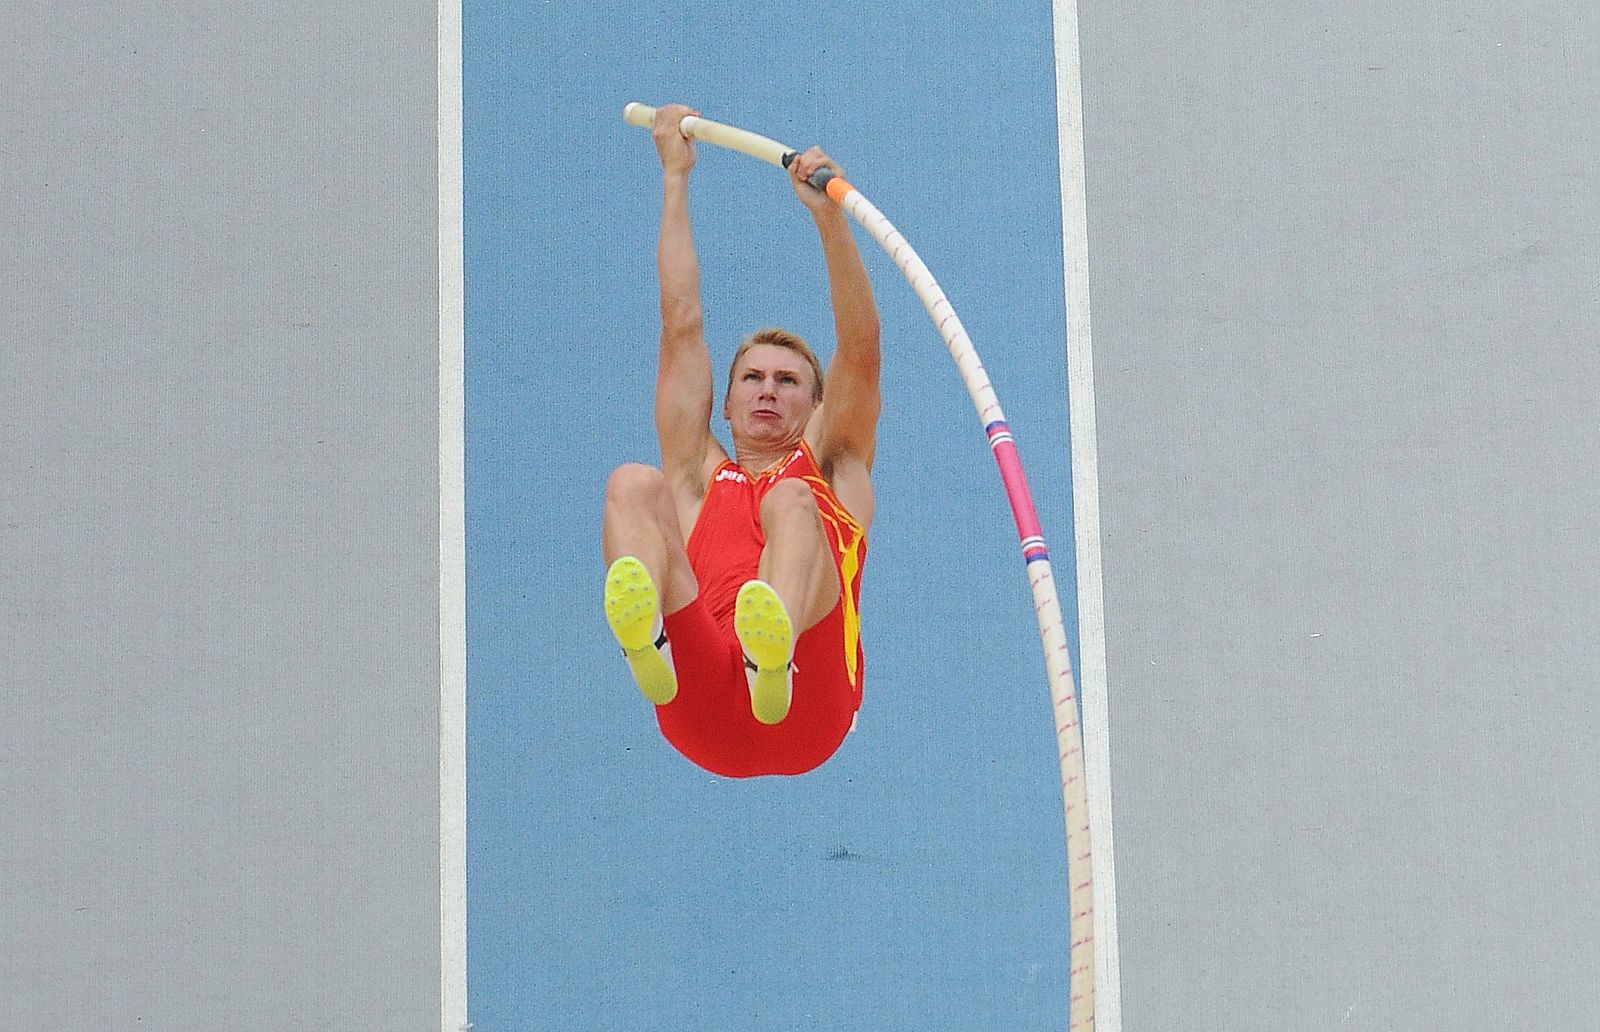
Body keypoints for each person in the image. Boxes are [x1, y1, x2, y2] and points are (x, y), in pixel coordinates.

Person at [601, 103, 882, 778]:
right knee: (632, 485)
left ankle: (772, 650)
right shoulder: (696, 480)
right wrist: (676, 175)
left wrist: (829, 218)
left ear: (817, 404)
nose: (766, 389)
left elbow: (861, 349)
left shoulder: (833, 470)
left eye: (788, 381)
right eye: (751, 377)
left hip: (805, 709)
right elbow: (682, 322)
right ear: (723, 403)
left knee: (790, 501)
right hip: (697, 700)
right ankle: (650, 645)